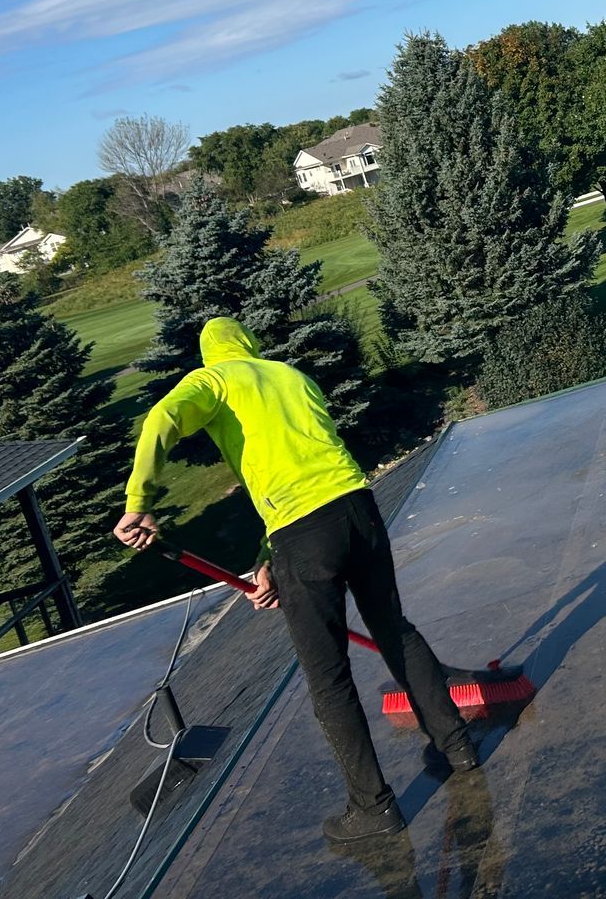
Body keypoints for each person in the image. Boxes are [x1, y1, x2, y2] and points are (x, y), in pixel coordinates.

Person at [113, 317, 484, 844]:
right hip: (359, 508)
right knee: (393, 630)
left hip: (304, 533)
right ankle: (459, 747)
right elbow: (303, 461)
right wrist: (269, 558)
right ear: (247, 344)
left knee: (328, 676)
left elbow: (161, 419)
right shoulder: (288, 374)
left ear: (208, 354)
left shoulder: (213, 381)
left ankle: (373, 808)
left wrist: (140, 504)